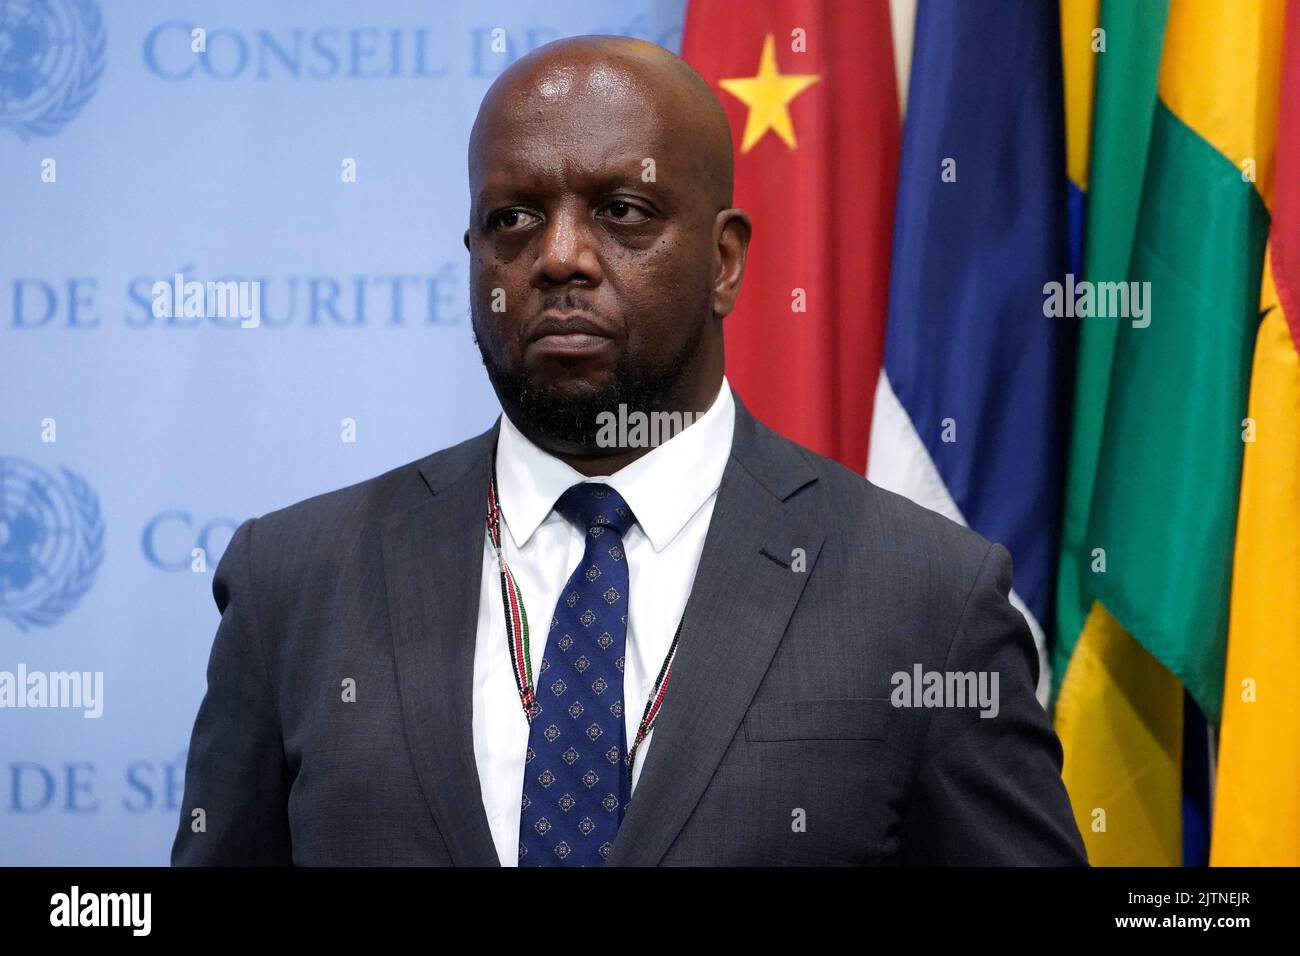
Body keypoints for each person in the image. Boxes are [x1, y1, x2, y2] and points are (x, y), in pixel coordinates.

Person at [171, 35, 1086, 866]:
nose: (561, 257)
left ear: (725, 261)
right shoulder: (292, 583)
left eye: (622, 210)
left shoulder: (927, 597)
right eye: (513, 220)